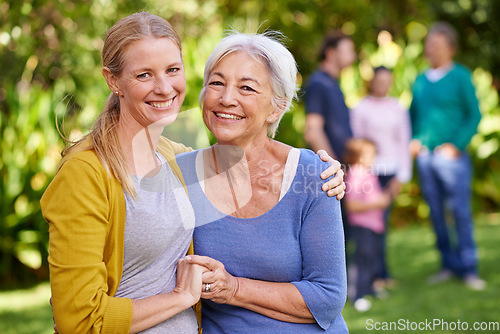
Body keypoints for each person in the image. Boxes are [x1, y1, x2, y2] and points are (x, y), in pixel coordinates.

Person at [40, 12, 346, 334]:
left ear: (278, 106)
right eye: (144, 74)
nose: (163, 87)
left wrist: (318, 168)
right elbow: (79, 318)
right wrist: (181, 296)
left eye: (173, 70)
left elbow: (327, 295)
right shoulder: (94, 173)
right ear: (113, 80)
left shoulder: (178, 161)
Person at [177, 32, 348, 333]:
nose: (226, 98)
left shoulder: (313, 175)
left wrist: (232, 288)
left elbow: (328, 297)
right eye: (216, 83)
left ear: (277, 107)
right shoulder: (181, 175)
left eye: (247, 88)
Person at [409, 21, 484, 290]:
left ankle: (469, 267)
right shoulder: (420, 81)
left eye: (436, 45)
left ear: (451, 48)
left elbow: (474, 114)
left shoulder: (460, 76)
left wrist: (457, 145)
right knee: (437, 214)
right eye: (428, 44)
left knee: (460, 211)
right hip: (426, 158)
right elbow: (414, 117)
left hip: (452, 158)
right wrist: (414, 140)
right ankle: (448, 265)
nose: (430, 49)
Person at [350, 66, 412, 286]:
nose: (383, 84)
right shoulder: (360, 108)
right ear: (372, 81)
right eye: (380, 80)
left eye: (388, 80)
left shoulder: (398, 108)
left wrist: (401, 177)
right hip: (369, 173)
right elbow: (357, 142)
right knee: (369, 225)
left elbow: (404, 142)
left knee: (382, 224)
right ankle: (374, 274)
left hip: (391, 172)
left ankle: (381, 273)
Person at [343, 138, 394, 312]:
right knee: (361, 261)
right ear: (358, 156)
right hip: (362, 226)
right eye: (370, 154)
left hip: (374, 226)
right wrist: (378, 203)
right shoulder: (356, 174)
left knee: (373, 258)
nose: (374, 158)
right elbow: (351, 205)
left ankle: (370, 288)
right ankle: (357, 295)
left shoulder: (369, 173)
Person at [304, 30, 356, 162]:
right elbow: (313, 131)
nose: (353, 56)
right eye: (348, 50)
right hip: (328, 171)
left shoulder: (333, 84)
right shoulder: (319, 83)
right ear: (331, 53)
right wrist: (332, 165)